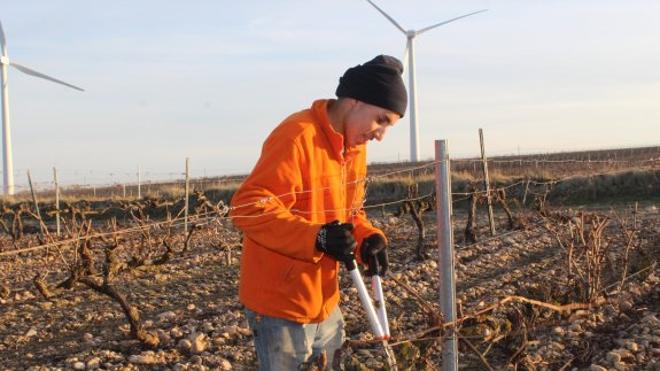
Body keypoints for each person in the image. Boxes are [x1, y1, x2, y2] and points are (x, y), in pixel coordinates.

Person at [229, 55, 407, 370]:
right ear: (354, 102)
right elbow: (249, 206)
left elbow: (350, 211)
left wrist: (368, 239)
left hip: (325, 298)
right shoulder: (298, 135)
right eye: (381, 120)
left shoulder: (353, 148)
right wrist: (317, 237)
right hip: (280, 304)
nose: (381, 135)